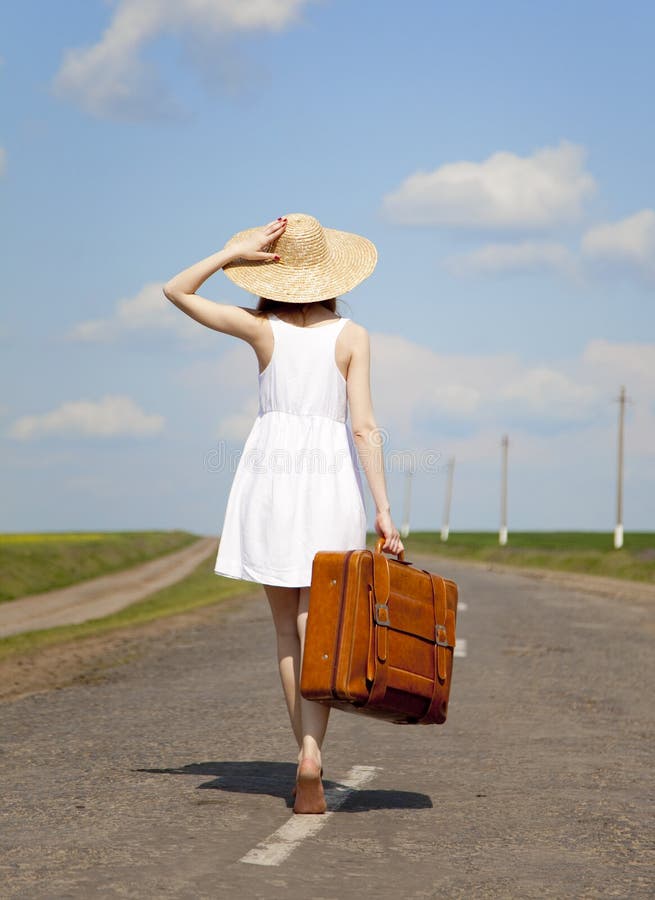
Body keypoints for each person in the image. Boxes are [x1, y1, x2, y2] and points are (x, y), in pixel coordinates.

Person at [163, 213, 404, 814]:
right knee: (316, 625)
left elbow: (175, 291)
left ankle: (303, 750)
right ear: (328, 272)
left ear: (275, 273)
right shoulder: (352, 336)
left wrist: (233, 253)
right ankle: (314, 753)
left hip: (270, 479)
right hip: (328, 481)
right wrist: (384, 510)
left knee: (284, 629)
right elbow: (365, 426)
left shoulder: (260, 328)